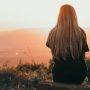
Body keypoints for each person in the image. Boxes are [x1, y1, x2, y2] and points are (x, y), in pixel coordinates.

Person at [46, 4, 90, 84]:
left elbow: (52, 50)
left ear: (59, 15)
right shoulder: (81, 32)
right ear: (74, 16)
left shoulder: (53, 33)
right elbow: (83, 56)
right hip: (78, 73)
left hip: (59, 74)